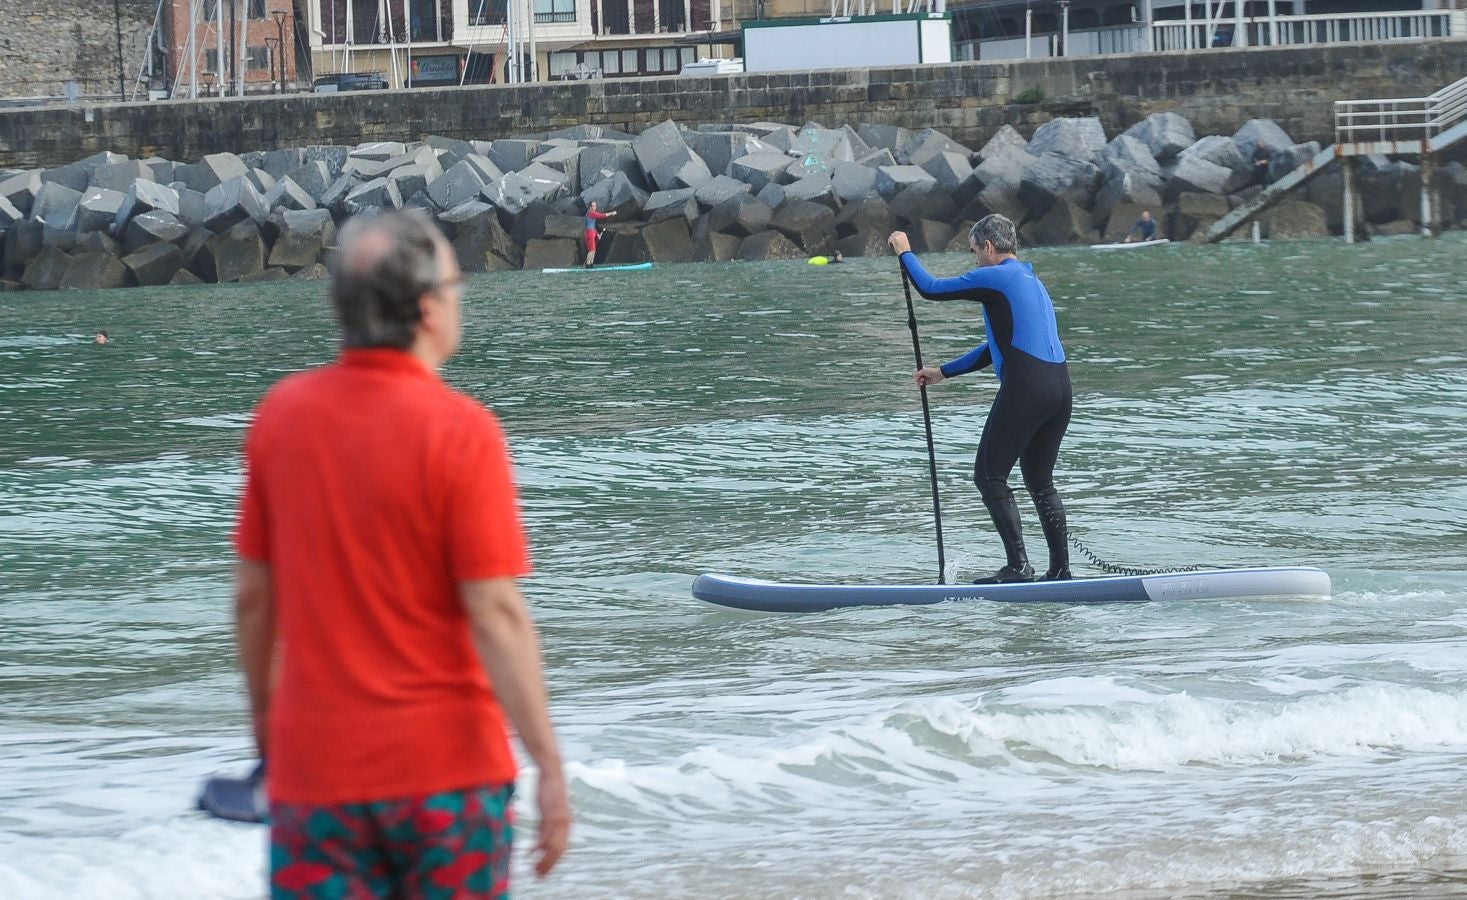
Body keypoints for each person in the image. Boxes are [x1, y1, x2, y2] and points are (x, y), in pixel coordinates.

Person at [234, 210, 571, 898]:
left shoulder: (281, 417)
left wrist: (268, 727)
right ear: (426, 307)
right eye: (455, 285)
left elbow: (251, 599)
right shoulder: (463, 432)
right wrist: (548, 763)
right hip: (447, 779)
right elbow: (495, 613)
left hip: (317, 776)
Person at [888, 214, 1073, 584]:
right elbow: (998, 345)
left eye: (974, 251)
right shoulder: (1031, 281)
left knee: (989, 475)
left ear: (988, 246)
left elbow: (930, 288)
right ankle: (1060, 571)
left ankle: (1018, 567)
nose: (975, 259)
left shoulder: (996, 276)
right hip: (1060, 389)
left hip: (1027, 387)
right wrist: (944, 371)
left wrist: (905, 252)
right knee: (1040, 481)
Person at [583, 201, 616, 268]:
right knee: (591, 250)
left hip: (592, 232)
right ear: (590, 207)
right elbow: (601, 216)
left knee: (593, 250)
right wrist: (611, 213)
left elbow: (592, 226)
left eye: (595, 206)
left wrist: (597, 234)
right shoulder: (590, 213)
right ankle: (588, 265)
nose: (595, 207)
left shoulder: (592, 214)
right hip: (589, 233)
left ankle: (591, 264)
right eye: (593, 206)